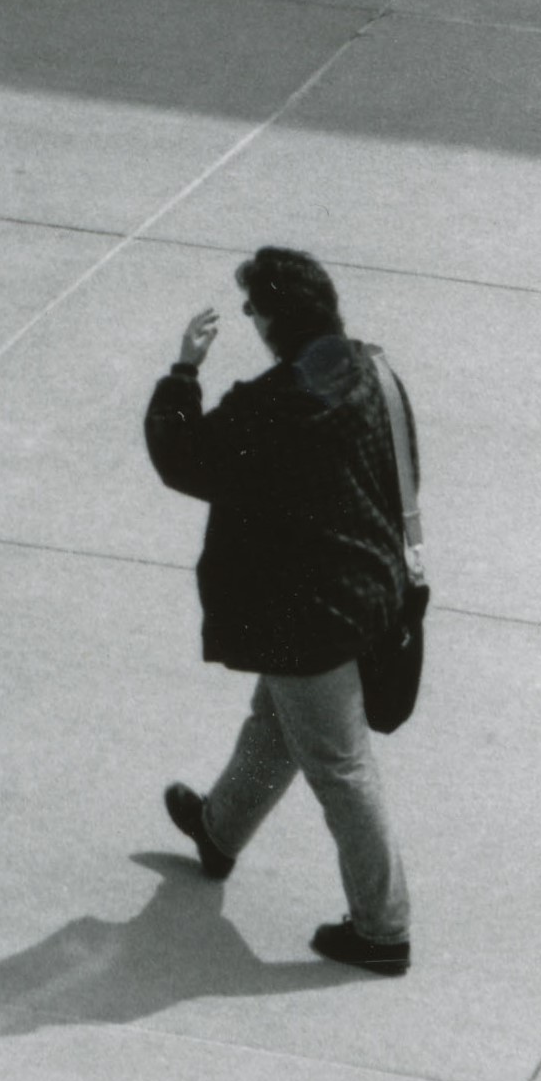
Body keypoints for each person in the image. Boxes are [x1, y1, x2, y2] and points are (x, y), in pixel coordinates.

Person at [144, 243, 417, 976]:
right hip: (368, 593)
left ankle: (383, 929)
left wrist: (182, 373)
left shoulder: (273, 407)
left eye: (251, 308)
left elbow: (181, 457)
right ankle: (219, 830)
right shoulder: (372, 369)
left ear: (270, 322)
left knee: (340, 765)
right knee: (276, 723)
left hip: (304, 619)